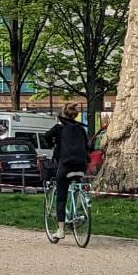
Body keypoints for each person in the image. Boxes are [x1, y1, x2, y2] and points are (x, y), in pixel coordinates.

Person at [43, 103, 91, 240]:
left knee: (61, 196)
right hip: (81, 165)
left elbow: (46, 136)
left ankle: (61, 230)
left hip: (66, 164)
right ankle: (77, 211)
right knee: (77, 185)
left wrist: (52, 145)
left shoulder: (59, 128)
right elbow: (89, 146)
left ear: (63, 113)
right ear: (75, 115)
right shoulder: (81, 129)